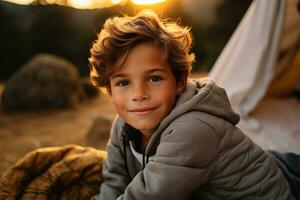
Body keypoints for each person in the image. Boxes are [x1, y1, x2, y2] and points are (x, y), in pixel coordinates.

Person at [88, 10, 296, 200]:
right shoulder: (122, 126)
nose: (139, 94)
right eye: (123, 83)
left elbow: (149, 196)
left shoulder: (194, 130)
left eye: (154, 79)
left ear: (179, 81)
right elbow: (114, 181)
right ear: (109, 91)